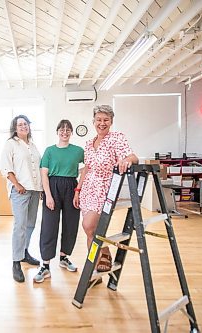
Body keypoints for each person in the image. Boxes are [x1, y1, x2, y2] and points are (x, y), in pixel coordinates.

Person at [73, 105, 138, 282]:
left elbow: (133, 157)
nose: (102, 123)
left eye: (106, 120)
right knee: (90, 232)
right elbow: (86, 168)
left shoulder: (116, 138)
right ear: (93, 121)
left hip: (103, 188)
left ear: (111, 121)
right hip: (87, 189)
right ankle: (95, 271)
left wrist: (125, 160)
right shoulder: (88, 143)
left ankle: (105, 253)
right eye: (99, 120)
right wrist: (78, 190)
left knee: (89, 226)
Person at [33, 120, 84, 283]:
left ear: (71, 132)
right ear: (57, 132)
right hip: (53, 187)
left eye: (68, 129)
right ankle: (45, 265)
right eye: (62, 129)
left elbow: (85, 171)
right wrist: (48, 195)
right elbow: (44, 174)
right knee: (49, 226)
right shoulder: (49, 151)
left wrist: (78, 191)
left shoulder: (78, 151)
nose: (65, 132)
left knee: (71, 224)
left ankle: (64, 257)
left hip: (71, 187)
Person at [0, 115, 42, 283]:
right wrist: (16, 184)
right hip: (20, 190)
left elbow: (37, 168)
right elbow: (5, 166)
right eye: (20, 124)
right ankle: (16, 262)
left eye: (26, 124)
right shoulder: (11, 144)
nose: (24, 126)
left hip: (34, 190)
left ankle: (24, 252)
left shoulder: (32, 145)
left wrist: (41, 188)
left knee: (30, 224)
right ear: (15, 128)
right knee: (20, 226)